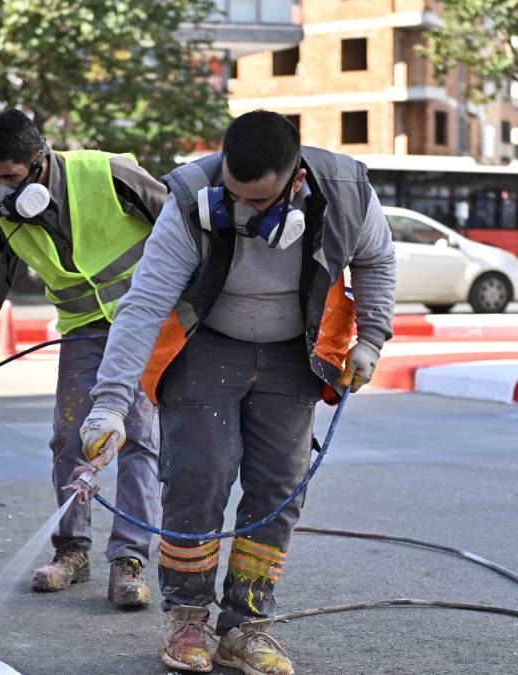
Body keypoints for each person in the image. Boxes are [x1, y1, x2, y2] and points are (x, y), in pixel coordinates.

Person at [79, 110, 396, 674]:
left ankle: (245, 624)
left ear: (295, 180)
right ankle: (187, 616)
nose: (241, 210)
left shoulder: (348, 193)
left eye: (257, 201)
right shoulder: (191, 198)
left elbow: (376, 260)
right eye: (233, 194)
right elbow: (144, 304)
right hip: (207, 347)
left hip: (293, 354)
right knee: (199, 477)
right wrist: (109, 402)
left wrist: (371, 337)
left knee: (279, 488)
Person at [0, 109, 167, 609]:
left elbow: (183, 230)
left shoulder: (109, 173)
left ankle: (129, 560)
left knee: (135, 437)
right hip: (82, 331)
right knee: (68, 438)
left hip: (145, 325)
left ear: (41, 159)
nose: (3, 189)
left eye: (10, 177)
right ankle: (72, 551)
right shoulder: (5, 217)